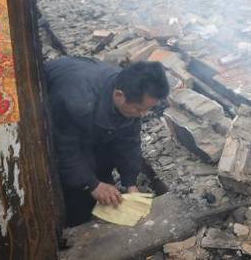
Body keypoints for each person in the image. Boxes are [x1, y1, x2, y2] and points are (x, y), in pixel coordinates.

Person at [45, 58, 170, 226]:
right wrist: (91, 184)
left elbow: (129, 141)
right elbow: (64, 151)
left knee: (103, 166)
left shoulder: (131, 93)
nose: (143, 114)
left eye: (147, 109)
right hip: (55, 103)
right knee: (75, 191)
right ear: (119, 96)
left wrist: (130, 182)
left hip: (88, 107)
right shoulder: (77, 104)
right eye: (140, 109)